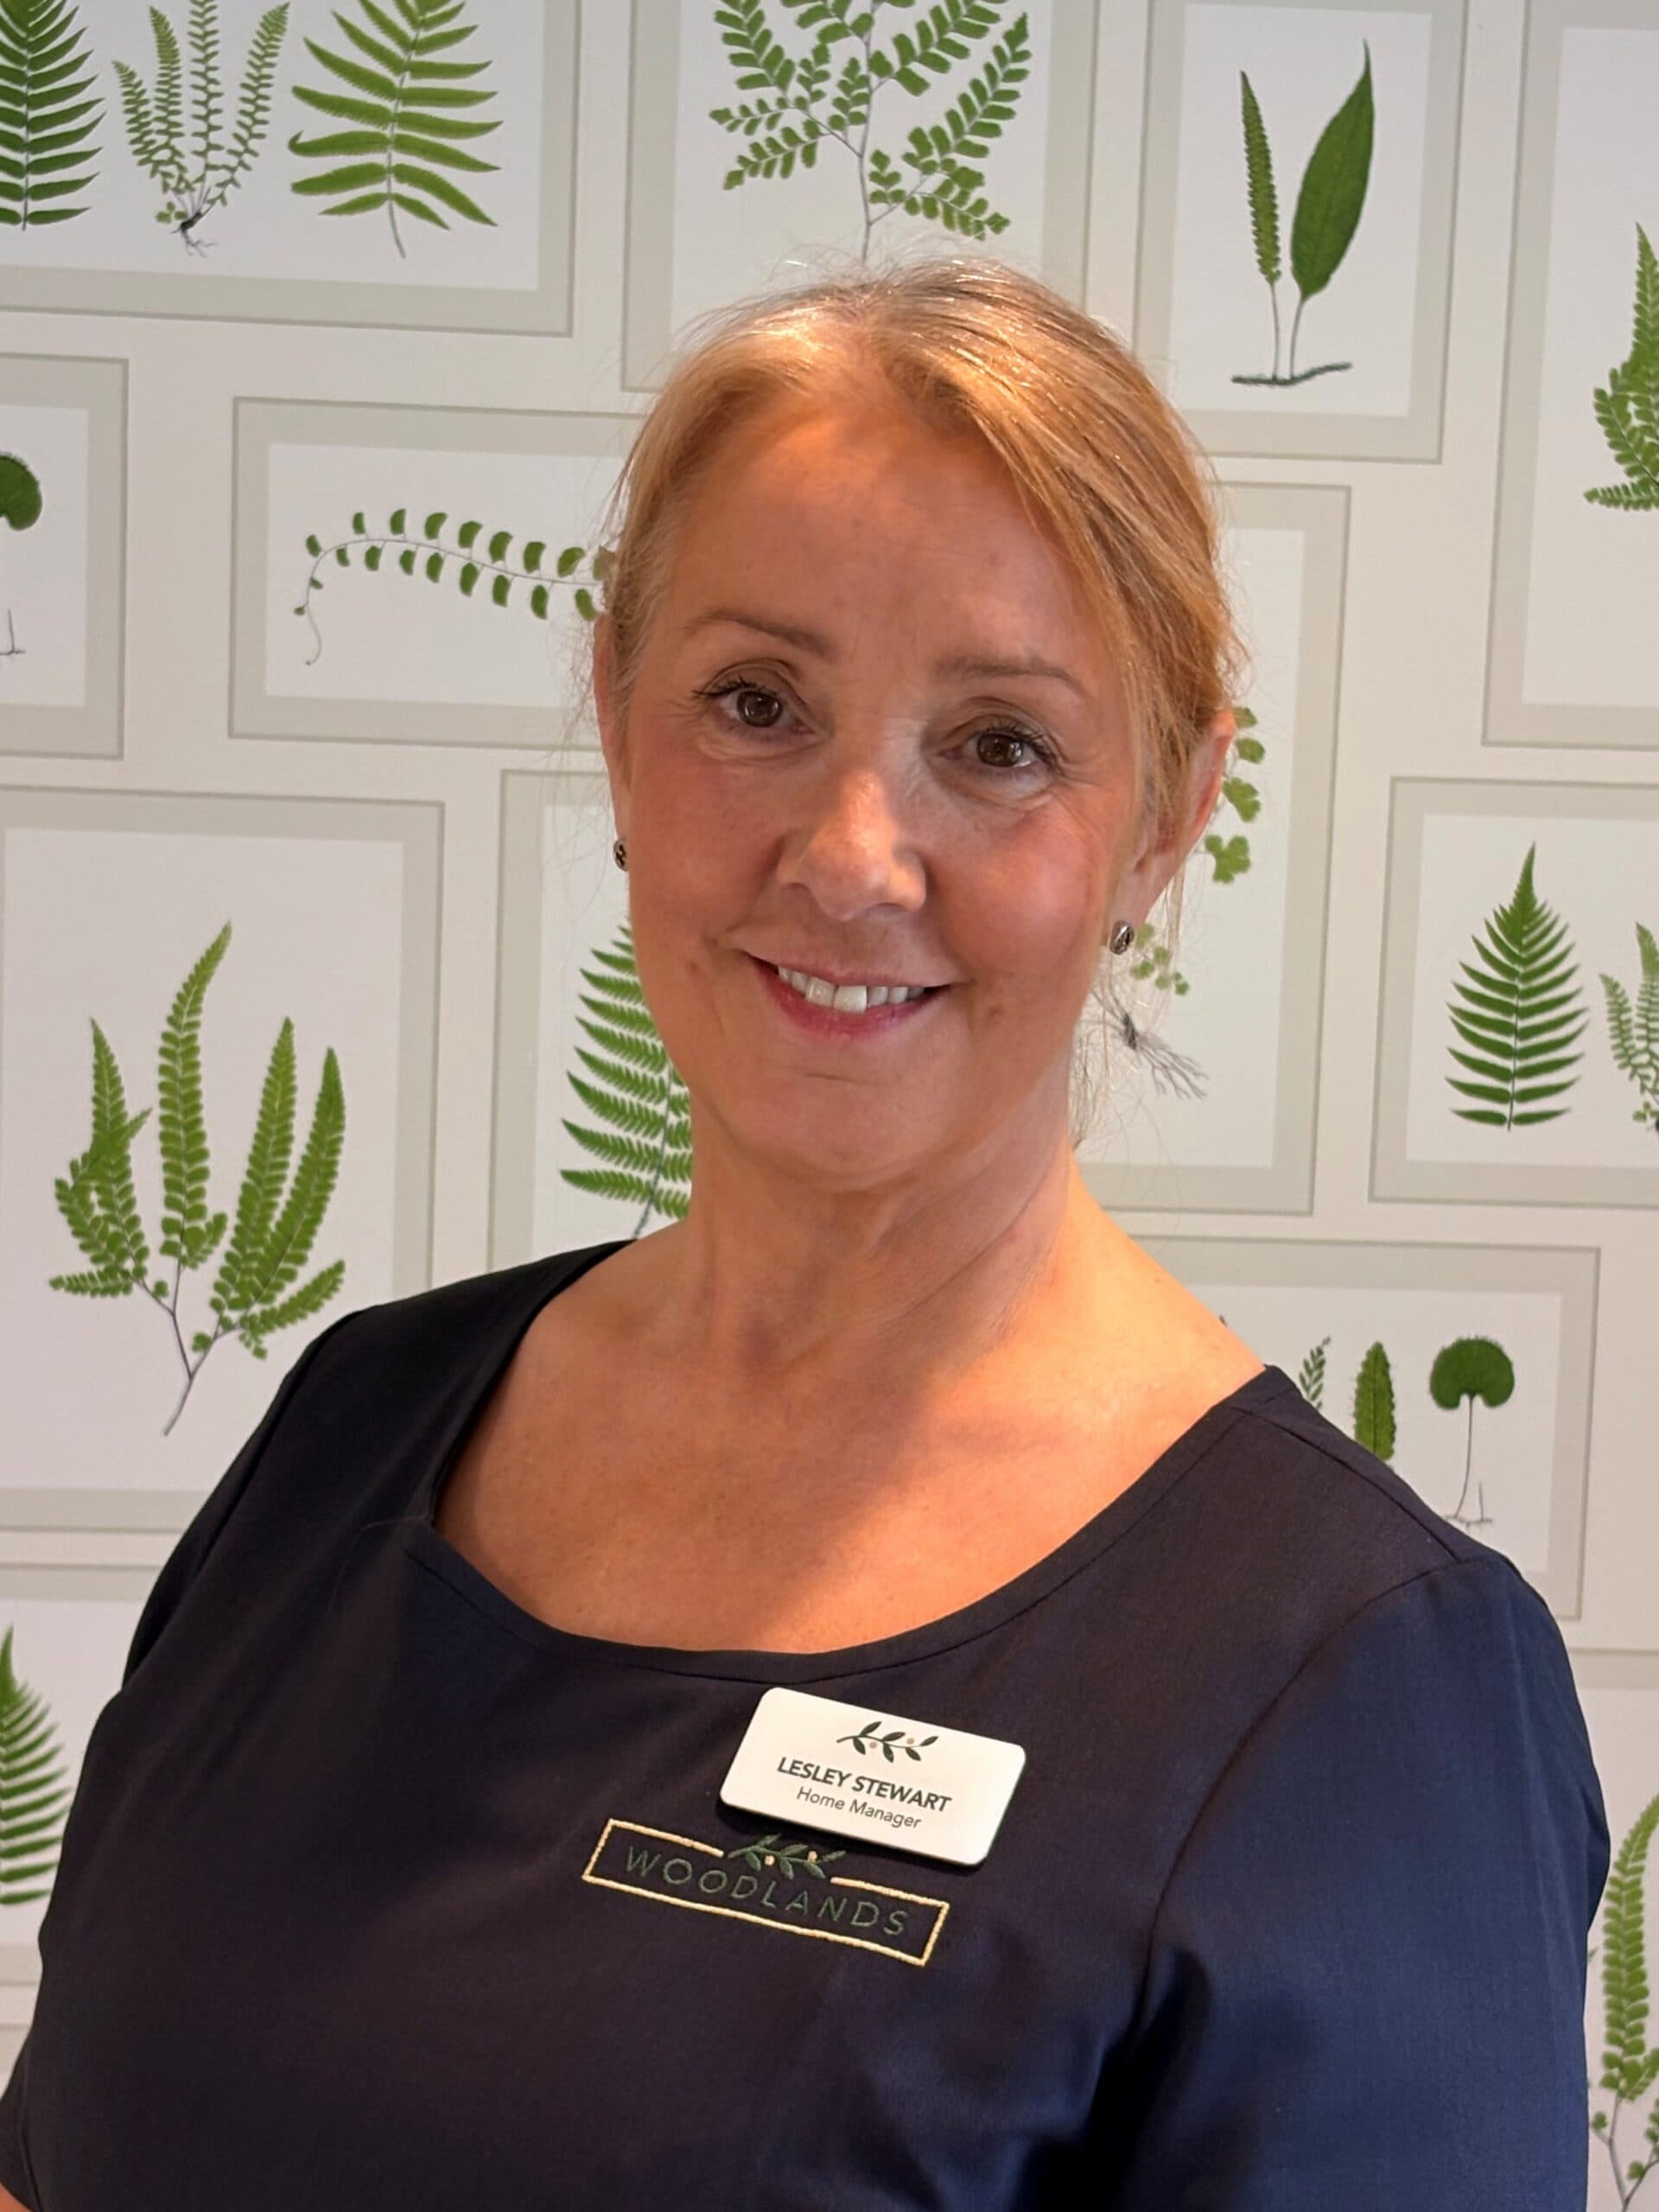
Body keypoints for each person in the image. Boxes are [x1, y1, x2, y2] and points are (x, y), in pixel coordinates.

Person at [0, 254, 1608, 2209]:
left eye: (1000, 745)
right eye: (755, 703)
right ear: (617, 715)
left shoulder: (1355, 1677)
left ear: (1167, 818)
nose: (850, 857)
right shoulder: (353, 1428)